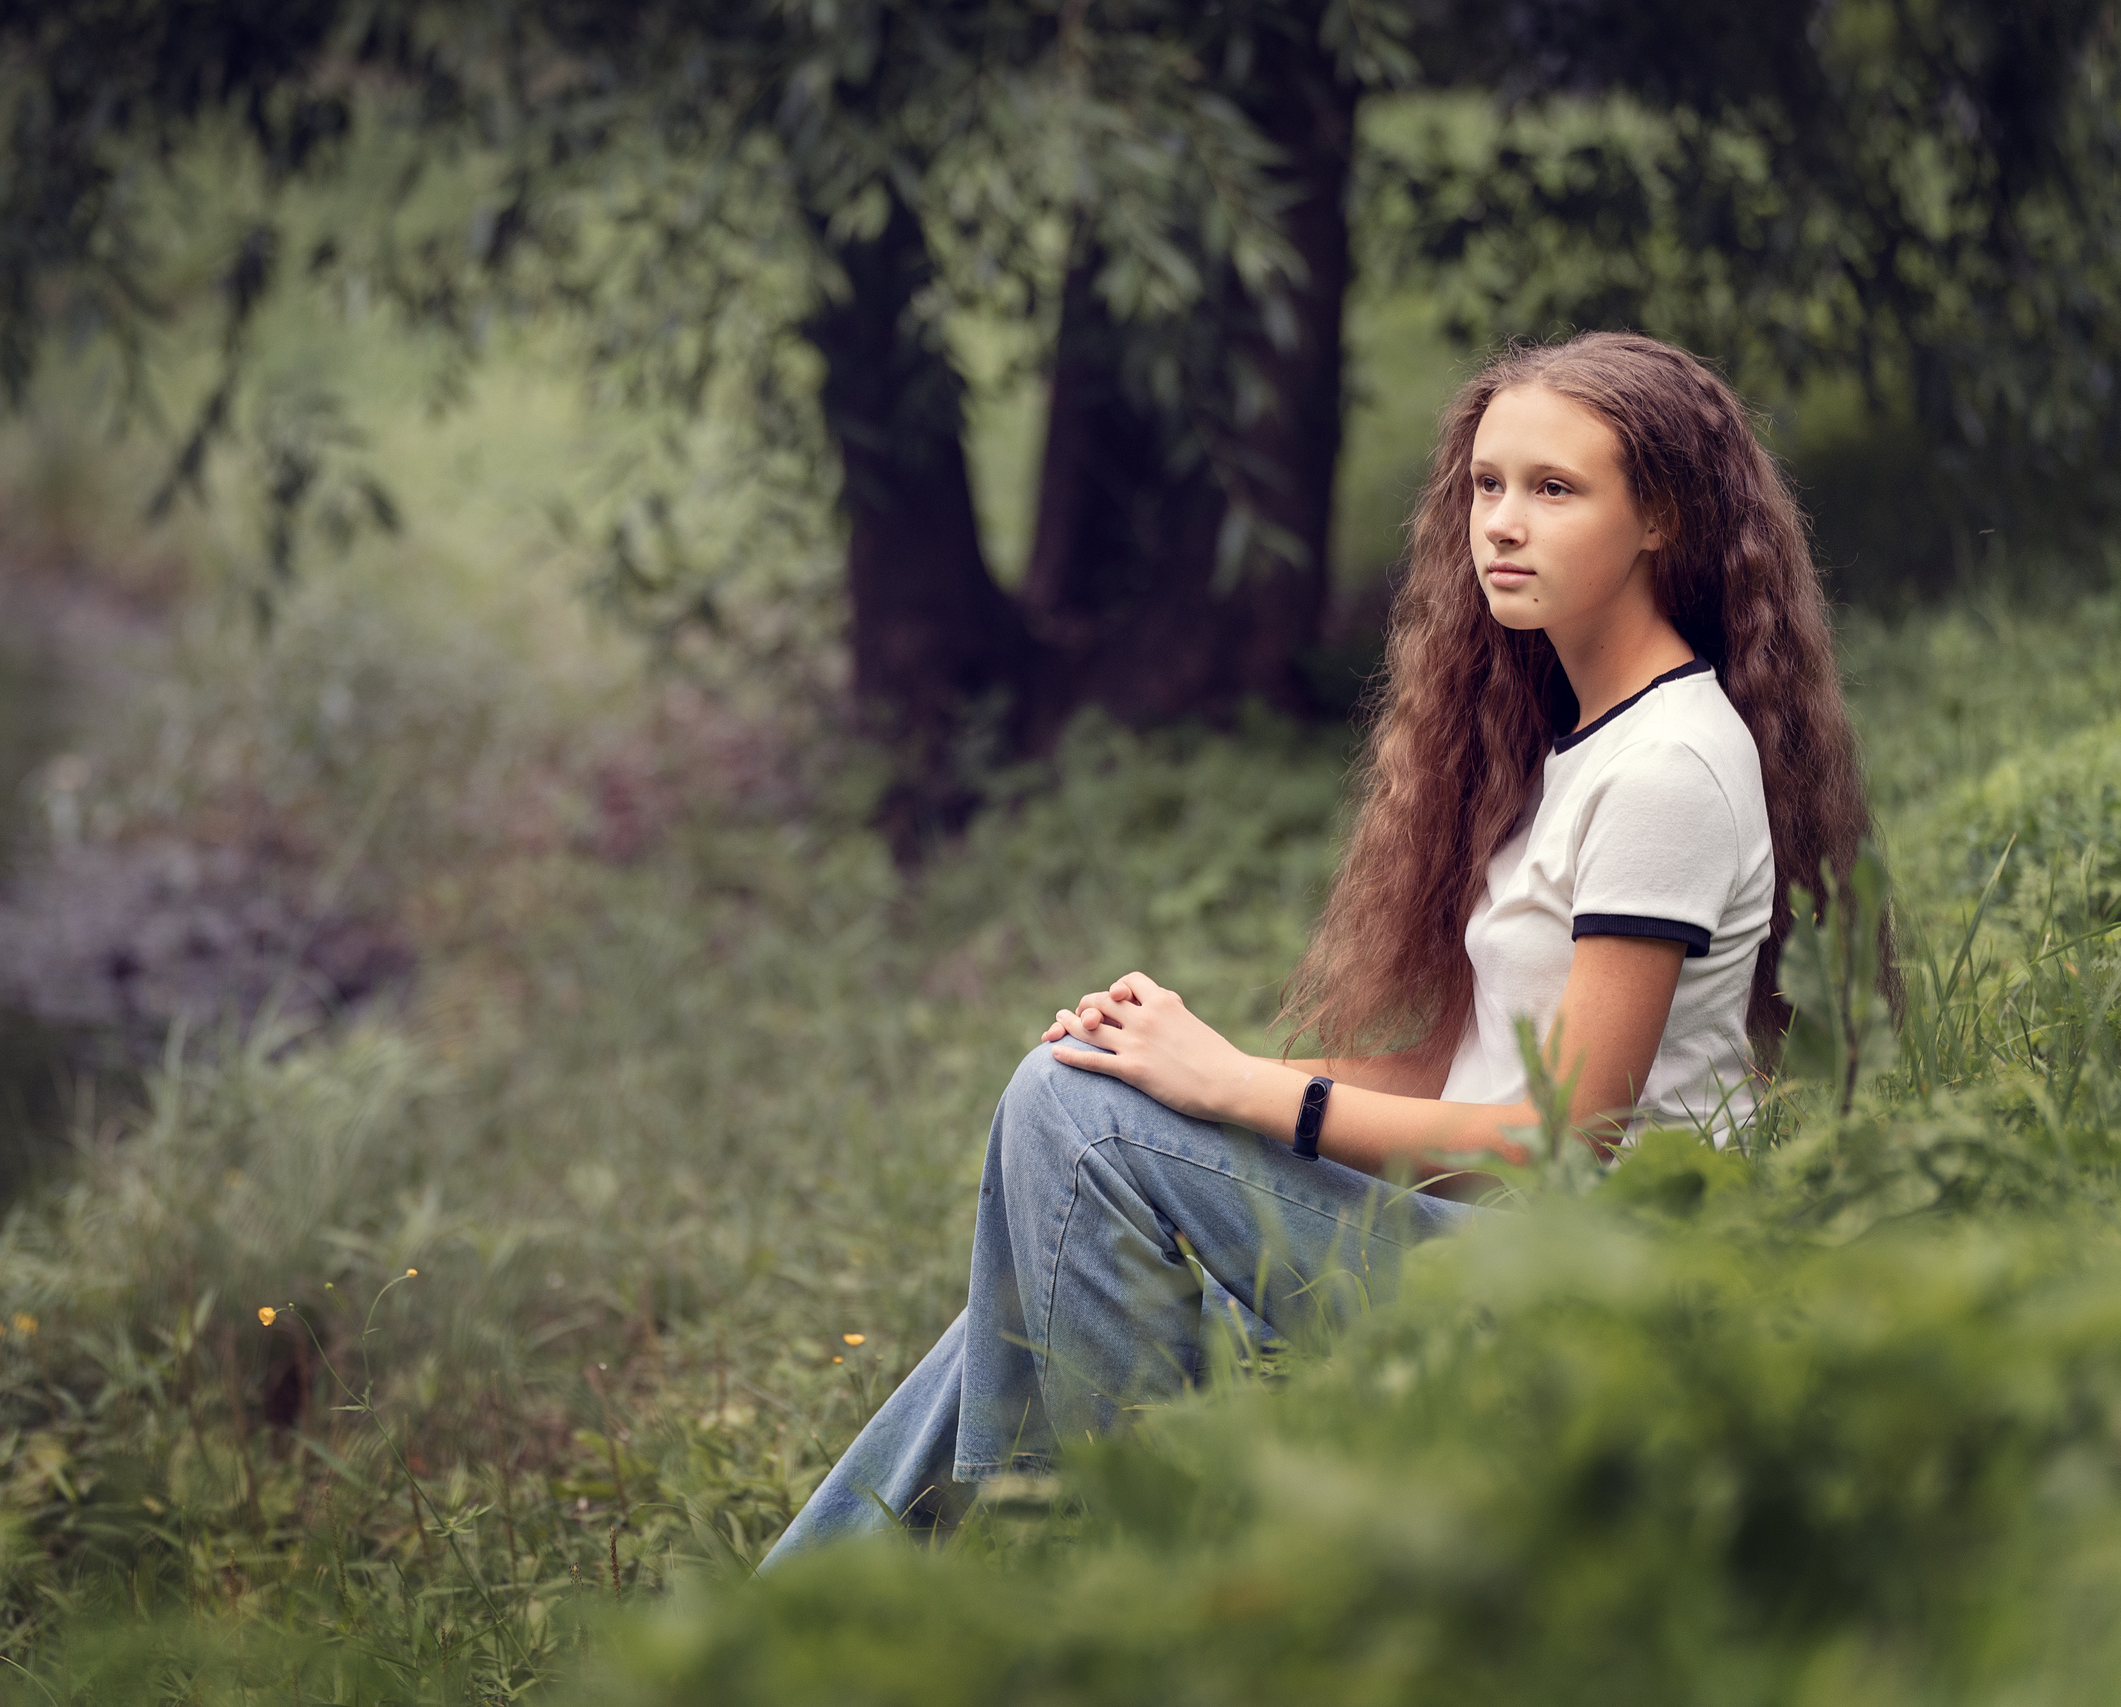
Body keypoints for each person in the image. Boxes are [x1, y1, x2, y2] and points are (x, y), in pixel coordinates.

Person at [758, 331, 1879, 1567]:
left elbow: (1559, 1141)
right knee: (1076, 1131)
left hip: (1585, 1291)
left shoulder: (1664, 767)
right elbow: (1466, 1075)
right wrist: (1180, 1068)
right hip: (1494, 1249)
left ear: (1659, 514)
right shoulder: (1585, 748)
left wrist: (1241, 1093)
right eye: (1486, 486)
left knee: (1073, 1124)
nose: (1502, 523)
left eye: (1555, 491)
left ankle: (1113, 1571)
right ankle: (793, 1623)